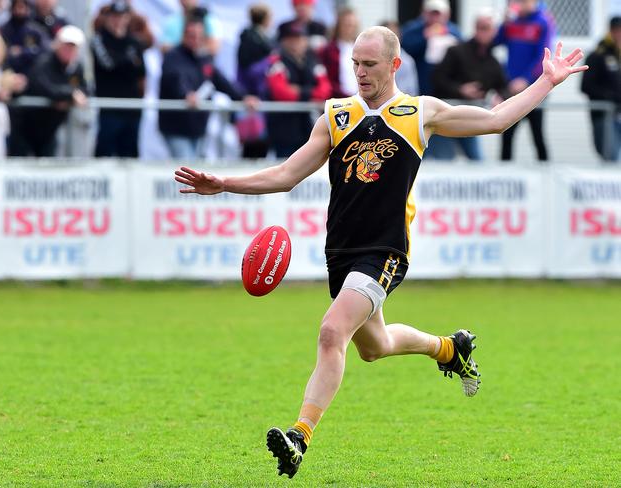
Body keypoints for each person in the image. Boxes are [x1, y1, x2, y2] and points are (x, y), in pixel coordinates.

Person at [174, 26, 586, 478]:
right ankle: (450, 349)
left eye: (370, 64)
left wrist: (546, 81)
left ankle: (299, 436)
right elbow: (288, 174)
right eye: (355, 63)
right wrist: (225, 183)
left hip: (386, 250)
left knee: (332, 333)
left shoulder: (418, 113)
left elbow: (494, 120)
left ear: (394, 65)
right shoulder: (336, 115)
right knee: (374, 346)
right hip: (342, 253)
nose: (360, 72)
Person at [158, 18, 257, 159]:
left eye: (199, 36)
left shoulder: (204, 58)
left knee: (194, 169)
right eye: (192, 35)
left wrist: (243, 97)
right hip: (176, 126)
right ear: (184, 35)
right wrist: (185, 95)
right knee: (187, 168)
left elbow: (222, 82)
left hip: (198, 126)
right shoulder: (173, 57)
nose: (196, 40)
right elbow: (175, 79)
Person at [431, 10, 509, 161]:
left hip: (469, 120)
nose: (484, 32)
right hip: (445, 119)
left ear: (494, 31)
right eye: (481, 27)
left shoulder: (493, 61)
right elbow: (437, 79)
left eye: (488, 28)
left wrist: (498, 96)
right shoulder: (456, 51)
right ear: (475, 28)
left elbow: (504, 87)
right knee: (442, 163)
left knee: (477, 162)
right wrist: (460, 90)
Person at [9, 24, 87, 157]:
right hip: (27, 126)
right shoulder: (44, 62)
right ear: (58, 45)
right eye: (66, 46)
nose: (69, 51)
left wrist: (69, 99)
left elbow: (84, 89)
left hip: (50, 129)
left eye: (73, 47)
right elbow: (44, 87)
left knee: (47, 166)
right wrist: (70, 95)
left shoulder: (76, 67)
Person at [400, 0, 463, 160]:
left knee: (446, 146)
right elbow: (403, 49)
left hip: (447, 98)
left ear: (446, 14)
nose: (435, 17)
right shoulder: (413, 30)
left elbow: (463, 56)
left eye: (438, 13)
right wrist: (425, 36)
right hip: (420, 97)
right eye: (432, 13)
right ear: (424, 12)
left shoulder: (454, 32)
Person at [494, 0, 555, 161]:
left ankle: (546, 175)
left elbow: (543, 56)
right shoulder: (513, 22)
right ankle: (505, 177)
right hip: (512, 88)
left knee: (537, 134)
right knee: (506, 135)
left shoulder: (543, 21)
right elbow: (496, 41)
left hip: (535, 87)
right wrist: (504, 24)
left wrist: (525, 79)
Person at [264, 20, 331, 158]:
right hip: (284, 130)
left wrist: (299, 91)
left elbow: (325, 89)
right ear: (283, 41)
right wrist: (311, 93)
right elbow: (281, 93)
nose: (296, 42)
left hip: (309, 127)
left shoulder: (313, 61)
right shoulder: (276, 62)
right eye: (291, 39)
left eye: (300, 38)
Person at [91, 0, 146, 158]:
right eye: (114, 17)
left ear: (128, 18)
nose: (118, 21)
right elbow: (108, 64)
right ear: (108, 18)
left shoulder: (134, 42)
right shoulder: (99, 39)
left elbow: (141, 73)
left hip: (132, 108)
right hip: (109, 108)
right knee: (104, 153)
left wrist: (123, 61)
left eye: (122, 17)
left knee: (130, 154)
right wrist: (127, 60)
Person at [580, 16, 621, 162]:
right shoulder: (597, 55)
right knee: (610, 157)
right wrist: (612, 98)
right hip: (605, 116)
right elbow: (586, 86)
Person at [236, 3, 273, 159]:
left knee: (253, 144)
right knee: (256, 145)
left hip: (251, 97)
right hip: (255, 100)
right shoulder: (257, 41)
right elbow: (252, 72)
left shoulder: (247, 38)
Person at [318, 7, 359, 98]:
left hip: (361, 99)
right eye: (346, 24)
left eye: (352, 25)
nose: (349, 28)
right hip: (337, 99)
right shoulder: (328, 50)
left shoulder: (361, 48)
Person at [0, 0, 50, 75]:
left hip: (32, 72)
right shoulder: (4, 29)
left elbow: (46, 50)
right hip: (9, 71)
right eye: (18, 7)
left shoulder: (36, 30)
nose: (20, 10)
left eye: (23, 7)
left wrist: (23, 51)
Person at [381, 20, 418, 96]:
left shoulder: (407, 61)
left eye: (393, 36)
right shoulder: (370, 58)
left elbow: (409, 90)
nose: (390, 40)